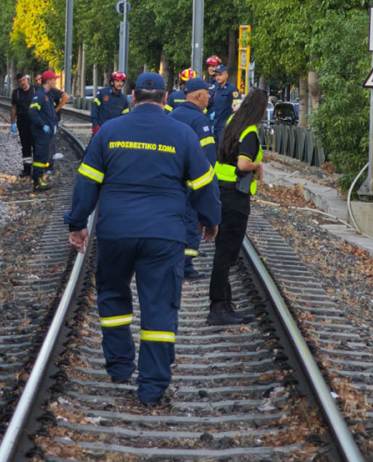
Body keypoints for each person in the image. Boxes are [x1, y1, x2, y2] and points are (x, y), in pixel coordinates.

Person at [64, 72, 221, 405]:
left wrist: (77, 223)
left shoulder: (110, 132)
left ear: (133, 97)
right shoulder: (182, 134)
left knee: (111, 293)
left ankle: (121, 365)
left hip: (116, 230)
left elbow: (87, 182)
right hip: (164, 235)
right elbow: (205, 184)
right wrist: (211, 221)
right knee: (160, 307)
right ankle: (151, 388)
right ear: (166, 99)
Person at [208, 88, 268, 326]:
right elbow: (243, 163)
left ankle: (225, 303)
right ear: (260, 110)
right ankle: (217, 307)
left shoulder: (233, 123)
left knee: (223, 249)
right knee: (227, 252)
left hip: (221, 191)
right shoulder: (251, 132)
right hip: (235, 197)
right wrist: (258, 166)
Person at [168, 77, 216, 281]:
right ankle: (185, 266)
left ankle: (173, 261)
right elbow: (207, 155)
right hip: (192, 181)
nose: (209, 96)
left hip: (172, 179)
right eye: (207, 92)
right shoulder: (199, 119)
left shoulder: (173, 115)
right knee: (191, 220)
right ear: (198, 95)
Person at [27, 71, 59, 191]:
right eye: (54, 80)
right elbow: (32, 112)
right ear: (49, 81)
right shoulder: (39, 96)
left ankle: (39, 179)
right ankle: (37, 182)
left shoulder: (48, 95)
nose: (55, 82)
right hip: (41, 133)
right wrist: (42, 125)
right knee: (40, 156)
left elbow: (51, 112)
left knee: (44, 155)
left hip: (46, 132)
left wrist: (54, 124)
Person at [9, 73, 36, 177]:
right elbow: (13, 108)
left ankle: (38, 169)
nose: (22, 83)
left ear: (27, 79)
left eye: (23, 80)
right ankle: (27, 170)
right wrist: (12, 123)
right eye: (20, 81)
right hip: (23, 123)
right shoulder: (16, 93)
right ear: (18, 82)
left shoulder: (35, 90)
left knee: (36, 146)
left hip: (35, 123)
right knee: (26, 147)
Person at [209, 65, 241, 143]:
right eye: (216, 75)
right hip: (214, 125)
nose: (217, 77)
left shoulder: (232, 89)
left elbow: (237, 105)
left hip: (225, 126)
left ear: (226, 75)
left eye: (220, 75)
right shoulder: (215, 88)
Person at [90, 71, 128, 135]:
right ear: (112, 82)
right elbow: (94, 110)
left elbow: (125, 118)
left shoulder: (123, 100)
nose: (120, 83)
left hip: (115, 133)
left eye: (122, 81)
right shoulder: (102, 93)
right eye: (117, 81)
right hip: (100, 131)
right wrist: (95, 125)